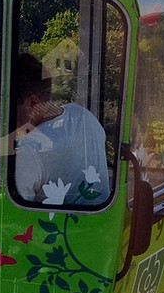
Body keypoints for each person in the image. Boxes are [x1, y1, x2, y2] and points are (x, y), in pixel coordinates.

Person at [10, 52, 109, 205]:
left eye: (5, 108)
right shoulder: (83, 116)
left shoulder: (30, 148)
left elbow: (13, 214)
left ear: (33, 104)